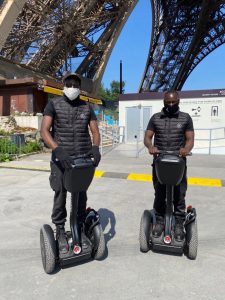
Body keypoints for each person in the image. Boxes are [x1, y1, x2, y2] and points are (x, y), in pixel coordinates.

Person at [40, 73, 101, 253]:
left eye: (75, 84)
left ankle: (80, 226)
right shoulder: (54, 104)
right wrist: (57, 150)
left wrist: (96, 148)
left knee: (81, 195)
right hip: (61, 160)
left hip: (81, 159)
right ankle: (59, 229)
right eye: (69, 83)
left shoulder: (87, 107)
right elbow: (44, 131)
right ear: (63, 85)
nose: (72, 87)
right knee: (60, 194)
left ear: (80, 87)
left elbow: (95, 132)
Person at [144, 90, 194, 241]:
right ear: (163, 102)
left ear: (178, 101)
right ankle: (159, 221)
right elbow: (147, 137)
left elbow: (190, 139)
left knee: (179, 195)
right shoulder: (156, 118)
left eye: (173, 102)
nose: (171, 105)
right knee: (159, 193)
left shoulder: (185, 118)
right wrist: (150, 147)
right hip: (160, 162)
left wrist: (186, 149)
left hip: (178, 163)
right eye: (168, 102)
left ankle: (179, 223)